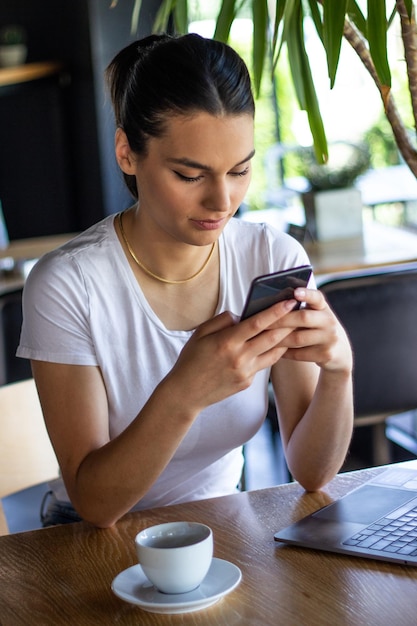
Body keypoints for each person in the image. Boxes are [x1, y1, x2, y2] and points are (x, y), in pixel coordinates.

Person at [17, 33, 353, 529]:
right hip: (89, 541)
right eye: (190, 175)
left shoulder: (269, 256)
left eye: (239, 170)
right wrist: (184, 392)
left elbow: (311, 473)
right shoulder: (68, 284)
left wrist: (339, 370)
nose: (222, 201)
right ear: (127, 153)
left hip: (221, 520)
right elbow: (96, 504)